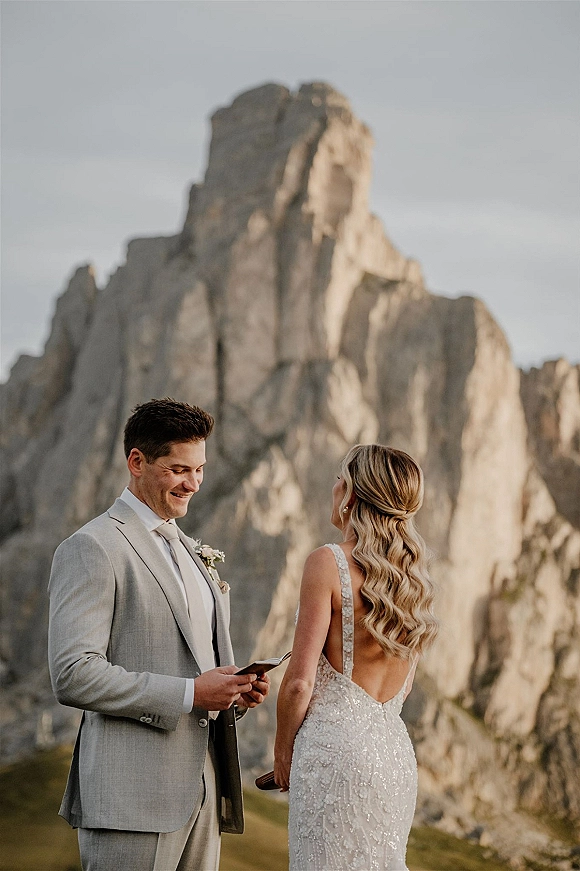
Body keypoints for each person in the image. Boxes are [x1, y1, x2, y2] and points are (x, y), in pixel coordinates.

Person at [48, 398, 269, 871]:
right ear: (136, 462)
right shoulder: (93, 547)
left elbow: (190, 664)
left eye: (200, 469)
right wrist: (191, 693)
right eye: (178, 470)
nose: (194, 483)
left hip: (205, 793)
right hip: (131, 799)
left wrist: (232, 692)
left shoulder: (190, 549)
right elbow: (73, 674)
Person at [274, 444, 438, 871]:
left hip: (336, 754)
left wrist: (282, 753)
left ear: (349, 493)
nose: (334, 486)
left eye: (338, 477)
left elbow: (298, 683)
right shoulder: (414, 582)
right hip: (395, 758)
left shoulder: (327, 562)